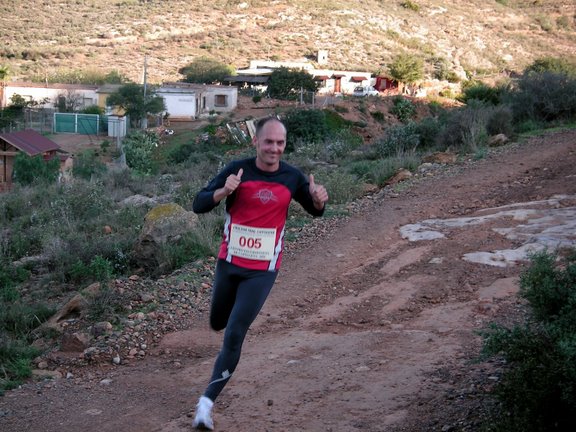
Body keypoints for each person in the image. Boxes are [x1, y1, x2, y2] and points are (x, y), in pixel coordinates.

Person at [191, 117, 329, 430]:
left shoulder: (292, 176)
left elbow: (315, 210)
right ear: (256, 142)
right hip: (229, 263)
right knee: (217, 321)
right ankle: (219, 346)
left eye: (280, 143)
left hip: (262, 270)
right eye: (269, 142)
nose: (274, 149)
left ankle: (205, 405)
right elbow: (198, 203)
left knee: (235, 333)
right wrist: (222, 192)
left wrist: (319, 202)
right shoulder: (237, 170)